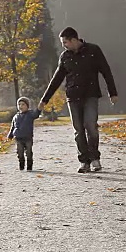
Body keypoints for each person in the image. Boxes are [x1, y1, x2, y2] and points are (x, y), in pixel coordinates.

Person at [38, 27, 117, 173]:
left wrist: (112, 92)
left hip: (91, 95)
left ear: (74, 40)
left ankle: (95, 159)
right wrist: (45, 99)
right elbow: (57, 78)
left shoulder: (93, 51)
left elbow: (106, 71)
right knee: (79, 130)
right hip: (73, 97)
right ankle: (84, 161)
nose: (64, 45)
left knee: (91, 126)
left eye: (65, 42)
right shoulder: (65, 57)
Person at [7, 97, 42, 171]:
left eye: (23, 104)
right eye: (19, 104)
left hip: (28, 137)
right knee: (20, 152)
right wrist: (10, 134)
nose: (21, 106)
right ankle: (21, 166)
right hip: (18, 137)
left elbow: (36, 114)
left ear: (27, 106)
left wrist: (39, 109)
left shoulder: (30, 114)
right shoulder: (16, 116)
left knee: (28, 152)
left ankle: (29, 166)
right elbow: (13, 126)